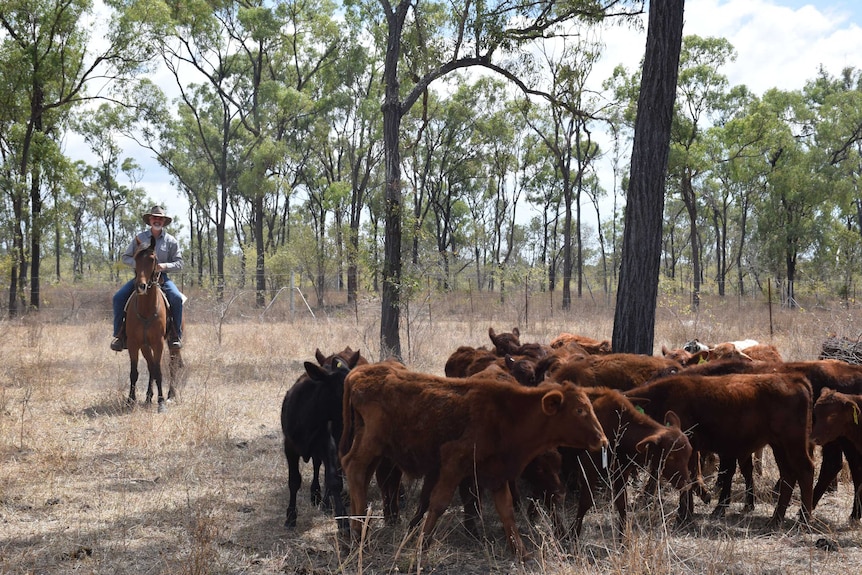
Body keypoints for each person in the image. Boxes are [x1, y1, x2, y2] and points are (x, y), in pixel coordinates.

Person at [111, 206, 185, 351]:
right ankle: (119, 335)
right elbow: (126, 257)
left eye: (160, 218)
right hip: (141, 277)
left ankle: (175, 335)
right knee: (118, 298)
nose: (157, 220)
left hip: (161, 277)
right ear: (150, 220)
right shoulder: (140, 238)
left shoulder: (171, 241)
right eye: (154, 218)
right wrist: (140, 265)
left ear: (163, 221)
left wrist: (164, 266)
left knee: (176, 298)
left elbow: (179, 263)